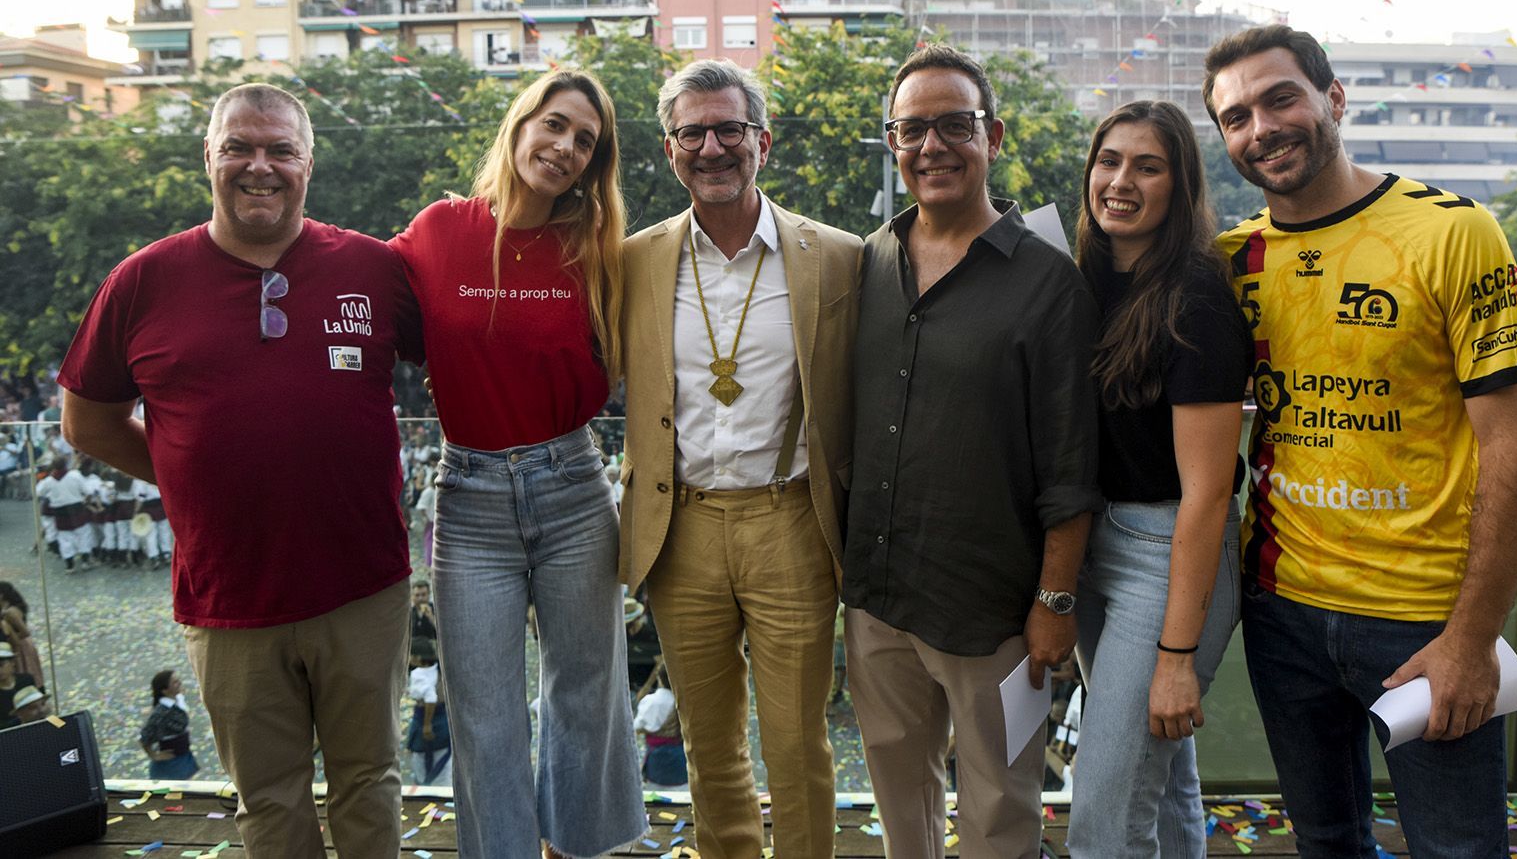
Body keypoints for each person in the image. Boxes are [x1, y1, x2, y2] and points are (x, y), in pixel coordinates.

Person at [1208, 24, 1517, 857]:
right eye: (1236, 117)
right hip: (1281, 609)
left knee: (1458, 849)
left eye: (1280, 99)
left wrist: (1472, 637)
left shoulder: (1453, 232)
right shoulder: (1232, 260)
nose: (1262, 128)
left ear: (1333, 98)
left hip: (1426, 617)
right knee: (1327, 842)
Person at [57, 82, 423, 858]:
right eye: (239, 148)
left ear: (308, 163)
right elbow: (86, 421)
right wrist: (191, 475)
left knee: (369, 782)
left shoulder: (374, 267)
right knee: (269, 799)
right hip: (228, 598)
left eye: (280, 150)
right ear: (209, 157)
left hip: (364, 588)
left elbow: (466, 352)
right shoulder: (142, 280)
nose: (260, 166)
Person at [844, 44, 1100, 858]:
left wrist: (1055, 603)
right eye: (912, 129)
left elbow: (1072, 466)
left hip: (997, 613)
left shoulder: (1048, 281)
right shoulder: (868, 262)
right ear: (893, 143)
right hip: (879, 598)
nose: (933, 146)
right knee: (900, 803)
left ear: (993, 135)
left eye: (955, 124)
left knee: (1000, 812)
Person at [391, 69, 645, 859]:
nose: (566, 148)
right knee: (484, 710)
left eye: (586, 142)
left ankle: (576, 848)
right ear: (520, 123)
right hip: (468, 499)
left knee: (586, 695)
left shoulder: (599, 249)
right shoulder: (438, 231)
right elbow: (358, 309)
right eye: (555, 125)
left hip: (573, 488)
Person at [618, 58, 860, 858]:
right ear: (669, 149)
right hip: (678, 525)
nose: (712, 148)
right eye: (692, 134)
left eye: (729, 130)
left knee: (796, 744)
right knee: (708, 747)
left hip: (790, 521)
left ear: (764, 140)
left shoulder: (837, 256)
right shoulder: (634, 261)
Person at [1066, 101, 1251, 855]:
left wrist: (1177, 657)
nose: (1120, 182)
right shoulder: (1082, 279)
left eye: (1148, 167)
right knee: (1161, 780)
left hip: (1165, 552)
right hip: (1091, 544)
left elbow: (1208, 495)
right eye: (1109, 161)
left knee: (1105, 823)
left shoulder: (1195, 299)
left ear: (1180, 185)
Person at [406, 638, 452, 787]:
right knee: (442, 761)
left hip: (428, 721)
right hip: (442, 722)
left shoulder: (420, 674)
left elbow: (430, 698)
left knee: (424, 763)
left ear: (418, 657)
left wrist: (426, 724)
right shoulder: (439, 671)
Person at [632, 667, 688, 788]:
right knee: (681, 791)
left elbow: (637, 726)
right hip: (680, 755)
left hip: (656, 756)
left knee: (656, 792)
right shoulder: (683, 702)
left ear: (659, 679)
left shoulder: (650, 701)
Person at [140, 670, 198, 780]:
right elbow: (144, 737)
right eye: (175, 682)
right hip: (171, 764)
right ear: (165, 691)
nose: (180, 683)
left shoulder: (178, 699)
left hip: (183, 756)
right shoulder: (161, 713)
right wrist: (154, 755)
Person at [0, 582, 45, 683]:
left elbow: (25, 632)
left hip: (21, 646)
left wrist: (9, 638)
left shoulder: (10, 612)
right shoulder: (5, 609)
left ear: (1, 595)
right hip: (19, 644)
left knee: (24, 670)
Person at [0, 641, 39, 727]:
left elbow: (42, 704)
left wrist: (59, 724)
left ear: (12, 662)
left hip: (37, 720)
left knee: (61, 725)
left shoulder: (26, 680)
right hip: (11, 731)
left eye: (1, 665)